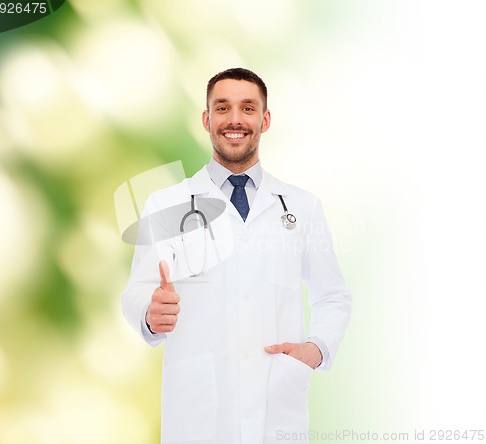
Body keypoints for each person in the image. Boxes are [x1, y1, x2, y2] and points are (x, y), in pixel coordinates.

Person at [121, 68, 352, 444]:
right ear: (206, 119)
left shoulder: (302, 206)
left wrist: (316, 349)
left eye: (248, 108)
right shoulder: (167, 204)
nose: (235, 120)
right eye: (222, 107)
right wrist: (150, 312)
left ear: (265, 119)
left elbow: (334, 296)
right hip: (198, 414)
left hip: (277, 409)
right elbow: (136, 291)